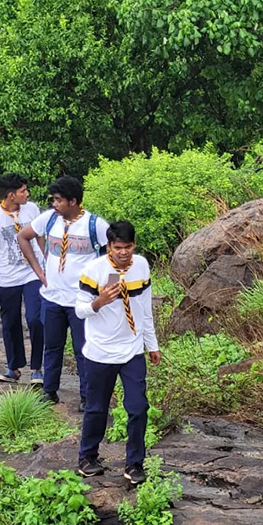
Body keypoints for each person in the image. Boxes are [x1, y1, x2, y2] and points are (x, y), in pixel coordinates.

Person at [75, 220, 161, 485]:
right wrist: (99, 301)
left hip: (132, 348)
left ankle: (135, 463)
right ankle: (87, 457)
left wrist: (152, 344)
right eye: (117, 247)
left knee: (138, 407)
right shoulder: (94, 270)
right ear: (109, 247)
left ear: (134, 246)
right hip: (100, 351)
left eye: (127, 247)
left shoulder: (142, 266)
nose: (123, 253)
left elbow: (145, 309)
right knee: (97, 408)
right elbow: (79, 310)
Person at [18, 175, 109, 410]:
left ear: (73, 201)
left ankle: (87, 396)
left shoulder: (95, 225)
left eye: (59, 200)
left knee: (83, 349)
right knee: (52, 345)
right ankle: (49, 391)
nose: (54, 205)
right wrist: (38, 271)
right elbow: (23, 236)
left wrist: (108, 291)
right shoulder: (49, 220)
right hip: (52, 297)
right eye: (54, 200)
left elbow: (114, 255)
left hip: (81, 299)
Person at [0, 172, 45, 384]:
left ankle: (37, 368)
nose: (27, 193)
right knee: (10, 322)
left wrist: (47, 263)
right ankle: (14, 367)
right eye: (23, 191)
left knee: (35, 318)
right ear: (11, 195)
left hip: (33, 272)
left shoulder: (32, 209)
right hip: (8, 274)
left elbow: (41, 236)